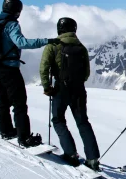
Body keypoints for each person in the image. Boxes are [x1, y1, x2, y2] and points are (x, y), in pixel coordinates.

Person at [0, 0, 60, 147]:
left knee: (3, 102)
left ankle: (6, 131)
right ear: (17, 11)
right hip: (9, 69)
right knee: (20, 103)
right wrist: (46, 41)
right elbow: (21, 42)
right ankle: (24, 138)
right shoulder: (11, 25)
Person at [39, 17, 101, 171]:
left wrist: (47, 87)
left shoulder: (53, 45)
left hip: (61, 88)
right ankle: (93, 160)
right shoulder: (81, 47)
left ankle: (70, 154)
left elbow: (44, 68)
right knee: (83, 122)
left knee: (58, 119)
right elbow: (86, 73)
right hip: (79, 89)